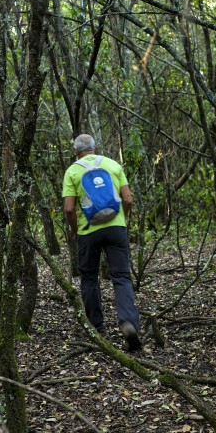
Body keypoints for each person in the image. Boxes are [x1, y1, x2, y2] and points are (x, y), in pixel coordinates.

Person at [62, 134, 142, 351]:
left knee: (89, 278)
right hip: (117, 228)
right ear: (95, 148)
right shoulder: (113, 165)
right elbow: (127, 199)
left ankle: (97, 329)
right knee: (122, 277)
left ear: (76, 151)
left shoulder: (73, 171)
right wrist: (121, 220)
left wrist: (75, 230)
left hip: (88, 230)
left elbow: (69, 208)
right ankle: (129, 323)